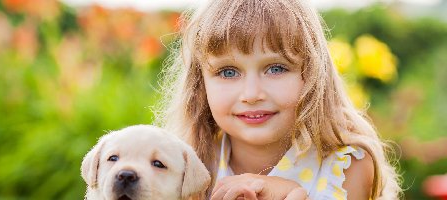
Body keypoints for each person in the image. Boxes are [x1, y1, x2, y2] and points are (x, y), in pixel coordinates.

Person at [154, 0, 402, 199]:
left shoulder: (345, 166)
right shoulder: (188, 166)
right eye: (228, 72)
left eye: (276, 68)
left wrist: (289, 193)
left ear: (313, 74)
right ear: (200, 86)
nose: (251, 95)